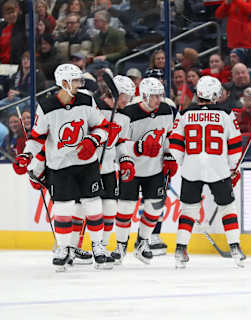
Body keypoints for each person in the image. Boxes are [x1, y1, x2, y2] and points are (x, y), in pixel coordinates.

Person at [12, 63, 112, 271]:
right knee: (63, 208)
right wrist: (26, 155)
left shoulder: (86, 100)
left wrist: (93, 141)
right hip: (59, 166)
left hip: (86, 164)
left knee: (92, 205)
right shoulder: (47, 106)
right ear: (64, 83)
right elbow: (37, 138)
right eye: (76, 81)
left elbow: (103, 127)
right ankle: (64, 248)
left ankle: (98, 246)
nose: (79, 84)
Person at [169, 76, 245, 268]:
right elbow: (235, 146)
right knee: (227, 208)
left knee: (188, 210)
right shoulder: (227, 114)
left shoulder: (184, 114)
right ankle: (235, 247)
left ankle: (180, 249)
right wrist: (232, 169)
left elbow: (175, 145)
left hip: (191, 168)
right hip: (218, 168)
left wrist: (184, 163)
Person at [112, 77, 177, 265]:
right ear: (145, 96)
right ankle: (121, 245)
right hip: (130, 168)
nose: (159, 100)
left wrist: (169, 155)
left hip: (154, 170)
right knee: (124, 208)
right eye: (155, 96)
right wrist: (138, 147)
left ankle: (142, 243)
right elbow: (120, 142)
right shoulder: (129, 113)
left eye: (160, 95)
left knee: (155, 207)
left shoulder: (166, 110)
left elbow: (167, 137)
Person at [93, 75, 136, 259]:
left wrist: (125, 158)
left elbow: (120, 142)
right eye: (127, 97)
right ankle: (71, 246)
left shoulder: (124, 116)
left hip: (109, 168)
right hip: (88, 168)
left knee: (110, 207)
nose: (129, 101)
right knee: (83, 209)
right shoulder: (93, 108)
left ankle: (102, 246)